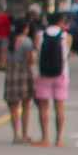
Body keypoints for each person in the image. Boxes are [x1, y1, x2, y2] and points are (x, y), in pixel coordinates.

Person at [31, 9, 69, 145]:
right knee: (59, 108)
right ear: (60, 21)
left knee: (43, 107)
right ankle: (58, 139)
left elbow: (37, 53)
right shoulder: (66, 36)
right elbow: (67, 55)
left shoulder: (39, 35)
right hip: (61, 74)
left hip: (43, 74)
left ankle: (44, 138)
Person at [2, 18, 36, 143]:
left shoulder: (8, 40)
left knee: (13, 106)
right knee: (26, 106)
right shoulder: (27, 41)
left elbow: (3, 59)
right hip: (23, 71)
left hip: (11, 72)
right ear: (25, 29)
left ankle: (15, 135)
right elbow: (30, 59)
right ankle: (25, 134)